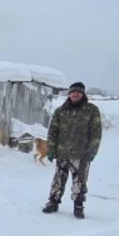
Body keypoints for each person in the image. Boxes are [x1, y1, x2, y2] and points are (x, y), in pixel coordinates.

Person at [41, 81, 102, 219]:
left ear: (83, 94)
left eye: (78, 92)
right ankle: (53, 202)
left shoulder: (91, 110)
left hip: (82, 153)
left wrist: (92, 152)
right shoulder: (61, 111)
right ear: (69, 94)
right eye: (73, 92)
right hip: (62, 152)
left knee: (80, 180)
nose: (75, 94)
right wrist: (51, 149)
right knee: (58, 179)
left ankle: (78, 206)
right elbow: (53, 132)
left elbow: (96, 133)